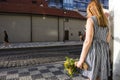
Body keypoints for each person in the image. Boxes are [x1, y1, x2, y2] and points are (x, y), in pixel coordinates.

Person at [75, 0, 111, 80]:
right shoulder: (106, 21)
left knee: (91, 75)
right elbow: (108, 40)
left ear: (90, 10)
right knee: (99, 76)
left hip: (93, 52)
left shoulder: (91, 20)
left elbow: (88, 41)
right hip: (104, 52)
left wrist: (81, 60)